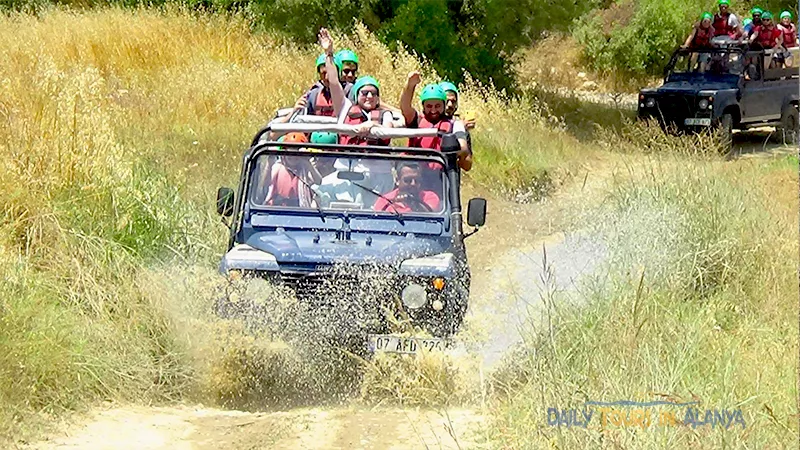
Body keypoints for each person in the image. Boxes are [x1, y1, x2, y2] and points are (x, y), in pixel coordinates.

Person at [400, 72, 472, 172]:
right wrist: (410, 85)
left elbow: (463, 148)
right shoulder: (417, 120)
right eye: (429, 106)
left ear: (444, 105)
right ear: (423, 106)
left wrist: (458, 148)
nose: (433, 110)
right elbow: (405, 107)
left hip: (442, 179)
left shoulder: (455, 125)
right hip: (417, 179)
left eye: (437, 106)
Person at [263, 133, 317, 207]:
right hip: (279, 207)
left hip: (300, 207)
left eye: (296, 155)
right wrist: (269, 163)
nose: (293, 159)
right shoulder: (278, 167)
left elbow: (318, 181)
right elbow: (266, 183)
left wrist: (308, 163)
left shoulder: (304, 169)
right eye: (290, 156)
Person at [373, 162, 441, 214]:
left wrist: (411, 202)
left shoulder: (430, 197)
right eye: (408, 180)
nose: (413, 184)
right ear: (397, 180)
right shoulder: (385, 200)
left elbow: (431, 216)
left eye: (417, 180)